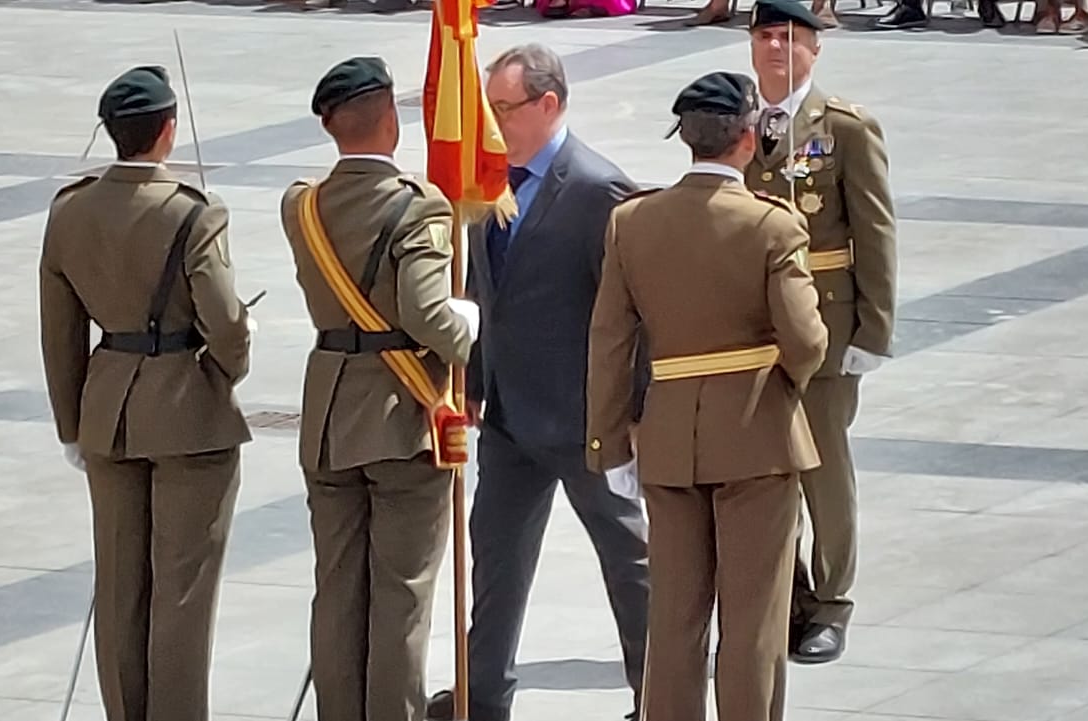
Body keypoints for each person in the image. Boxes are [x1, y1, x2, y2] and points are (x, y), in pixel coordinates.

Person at [586, 70, 828, 721]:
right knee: (752, 623)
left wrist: (609, 442)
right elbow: (806, 340)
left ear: (686, 140)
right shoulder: (771, 227)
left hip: (667, 439)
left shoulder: (631, 222)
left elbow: (610, 340)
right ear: (748, 139)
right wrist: (784, 383)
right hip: (757, 437)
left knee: (673, 620)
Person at [425, 42, 649, 721]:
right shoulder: (492, 182)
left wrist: (630, 410)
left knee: (630, 561)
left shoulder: (596, 189)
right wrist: (469, 376)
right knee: (495, 557)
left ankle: (659, 695)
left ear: (549, 104)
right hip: (508, 415)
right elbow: (483, 287)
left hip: (585, 419)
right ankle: (483, 693)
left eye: (504, 109)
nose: (492, 123)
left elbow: (632, 311)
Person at [39, 65, 253, 721]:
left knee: (121, 583)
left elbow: (61, 331)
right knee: (182, 592)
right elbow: (227, 326)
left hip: (108, 411)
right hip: (186, 410)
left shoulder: (70, 210)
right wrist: (226, 368)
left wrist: (72, 424)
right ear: (167, 130)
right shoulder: (193, 212)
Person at [279, 56, 480, 721]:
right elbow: (426, 312)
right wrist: (468, 331)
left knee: (337, 589)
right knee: (401, 594)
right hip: (401, 417)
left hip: (331, 413)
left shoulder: (300, 203)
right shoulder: (417, 203)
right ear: (391, 118)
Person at [744, 0, 897, 666]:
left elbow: (875, 230)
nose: (776, 49)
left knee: (824, 471)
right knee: (764, 471)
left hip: (828, 325)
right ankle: (792, 597)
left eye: (789, 38)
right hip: (756, 328)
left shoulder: (842, 128)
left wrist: (874, 328)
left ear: (814, 48)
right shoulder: (742, 125)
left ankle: (832, 602)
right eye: (766, 37)